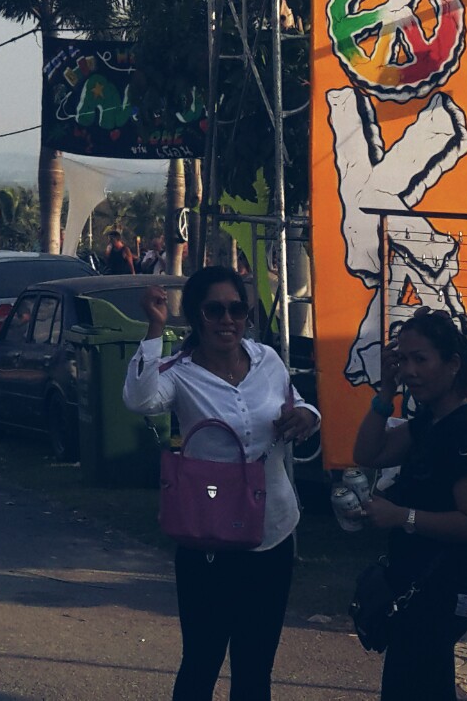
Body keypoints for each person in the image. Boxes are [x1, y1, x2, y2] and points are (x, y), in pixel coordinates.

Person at [124, 267, 321, 701]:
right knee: (202, 660)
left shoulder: (267, 360)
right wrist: (155, 328)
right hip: (207, 537)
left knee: (255, 667)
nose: (227, 320)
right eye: (214, 310)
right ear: (196, 316)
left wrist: (307, 416)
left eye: (237, 309)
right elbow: (139, 399)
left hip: (272, 532)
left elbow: (297, 401)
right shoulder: (180, 373)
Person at [353, 310, 467, 701]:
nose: (410, 371)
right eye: (403, 359)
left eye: (421, 359)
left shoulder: (463, 431)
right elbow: (368, 453)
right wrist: (385, 394)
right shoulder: (430, 421)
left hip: (440, 589)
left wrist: (402, 516)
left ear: (453, 364)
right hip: (413, 585)